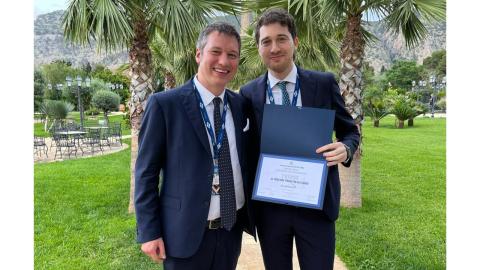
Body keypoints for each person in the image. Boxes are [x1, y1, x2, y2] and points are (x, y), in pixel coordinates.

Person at [240, 8, 360, 270]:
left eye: (281, 38)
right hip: (270, 208)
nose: (274, 47)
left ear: (295, 41)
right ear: (259, 48)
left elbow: (350, 131)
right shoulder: (248, 94)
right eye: (266, 41)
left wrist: (345, 149)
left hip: (316, 206)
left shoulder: (323, 83)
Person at [134, 22, 255, 270]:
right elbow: (146, 173)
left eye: (232, 55)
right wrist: (148, 231)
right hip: (183, 233)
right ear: (199, 54)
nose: (224, 61)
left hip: (230, 231)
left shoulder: (240, 105)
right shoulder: (165, 105)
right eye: (216, 51)